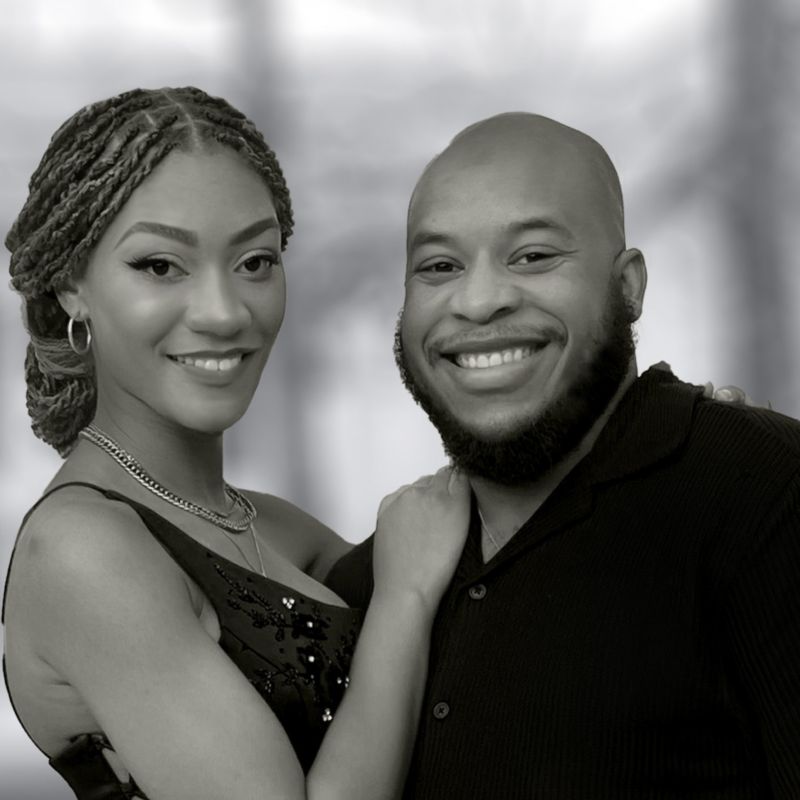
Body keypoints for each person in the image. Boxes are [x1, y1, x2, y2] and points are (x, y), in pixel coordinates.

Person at [1, 87, 472, 800]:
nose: (224, 314)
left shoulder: (269, 524)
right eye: (160, 266)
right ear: (72, 287)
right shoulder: (80, 551)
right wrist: (404, 598)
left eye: (254, 262)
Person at [326, 112, 800, 798]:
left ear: (628, 287)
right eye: (439, 266)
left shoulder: (767, 494)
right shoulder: (368, 589)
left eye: (533, 256)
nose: (478, 301)